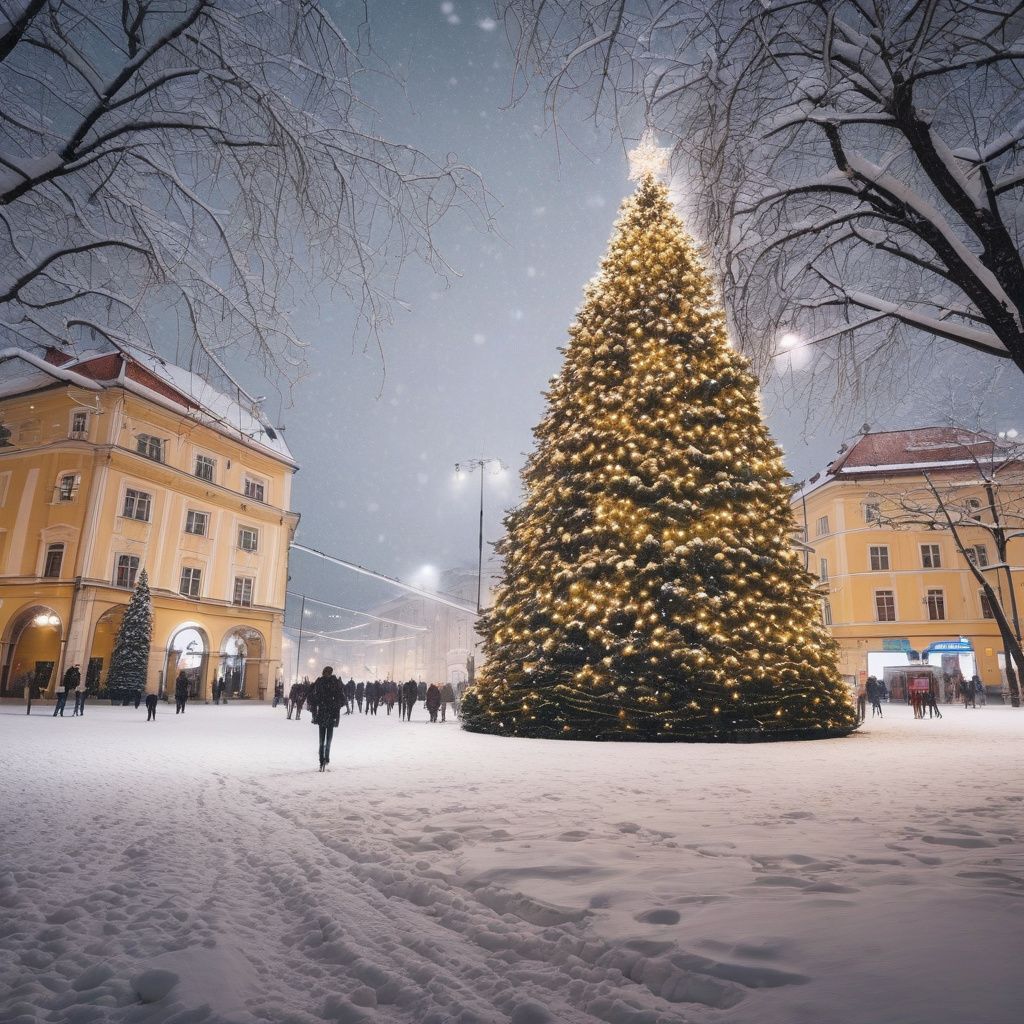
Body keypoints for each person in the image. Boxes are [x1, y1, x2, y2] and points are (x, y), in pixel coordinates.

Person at [307, 666, 345, 771]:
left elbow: (310, 695)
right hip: (331, 714)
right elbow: (342, 699)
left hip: (323, 713)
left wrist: (317, 703)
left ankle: (322, 759)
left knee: (322, 739)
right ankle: (326, 758)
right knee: (328, 739)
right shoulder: (335, 682)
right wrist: (335, 705)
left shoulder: (320, 682)